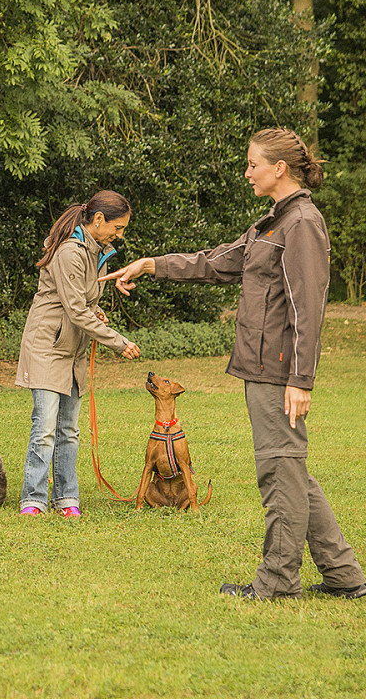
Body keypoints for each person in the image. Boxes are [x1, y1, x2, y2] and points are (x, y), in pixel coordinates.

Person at [102, 127, 366, 600]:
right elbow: (218, 261)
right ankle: (344, 575)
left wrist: (300, 379)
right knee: (291, 470)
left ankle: (279, 583)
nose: (247, 173)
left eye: (252, 164)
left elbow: (309, 306)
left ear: (278, 168)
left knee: (279, 471)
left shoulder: (301, 224)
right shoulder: (272, 223)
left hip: (278, 371)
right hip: (260, 367)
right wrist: (151, 265)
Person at [16, 190, 141, 517]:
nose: (120, 234)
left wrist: (96, 312)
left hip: (73, 350)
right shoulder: (71, 252)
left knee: (68, 429)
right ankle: (33, 499)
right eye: (118, 227)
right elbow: (74, 310)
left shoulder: (95, 251)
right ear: (98, 220)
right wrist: (118, 341)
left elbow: (84, 304)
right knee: (44, 428)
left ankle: (66, 498)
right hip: (48, 346)